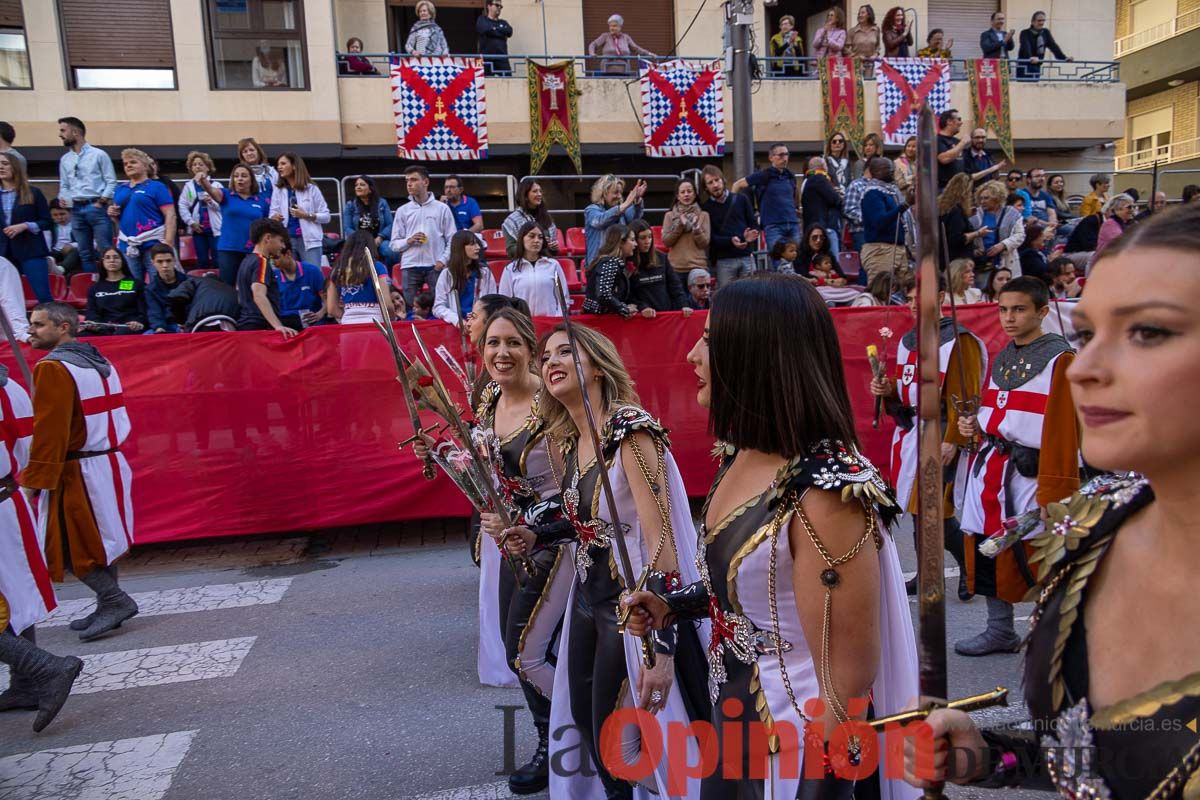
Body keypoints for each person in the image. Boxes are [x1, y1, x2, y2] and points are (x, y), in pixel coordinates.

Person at [902, 201, 1200, 800]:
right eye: (1088, 334)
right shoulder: (1094, 529)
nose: (1084, 367)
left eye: (1147, 331)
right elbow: (1102, 760)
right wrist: (992, 757)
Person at [623, 274, 917, 799]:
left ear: (756, 355)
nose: (692, 354)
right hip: (731, 717)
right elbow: (752, 592)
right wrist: (677, 605)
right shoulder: (739, 454)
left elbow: (845, 686)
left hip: (795, 743)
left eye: (710, 341)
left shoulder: (826, 495)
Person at [505, 323, 710, 800]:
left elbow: (662, 541)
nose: (550, 361)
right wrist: (537, 533)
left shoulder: (630, 430)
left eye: (565, 352)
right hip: (587, 606)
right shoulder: (571, 440)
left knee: (618, 742)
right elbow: (587, 519)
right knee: (589, 728)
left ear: (596, 365)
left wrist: (662, 648)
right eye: (546, 355)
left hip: (630, 611)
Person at [422, 306, 567, 794]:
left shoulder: (553, 402)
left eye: (512, 343)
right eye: (491, 344)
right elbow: (480, 463)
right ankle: (553, 738)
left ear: (531, 349)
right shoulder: (487, 401)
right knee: (521, 649)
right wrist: (440, 452)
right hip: (510, 546)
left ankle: (566, 741)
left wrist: (528, 522)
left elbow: (579, 489)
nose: (501, 353)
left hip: (559, 542)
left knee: (532, 648)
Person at [953, 276, 1080, 656]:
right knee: (988, 545)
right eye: (1003, 309)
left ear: (1042, 312)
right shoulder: (1004, 355)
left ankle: (1057, 636)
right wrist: (974, 424)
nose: (1009, 317)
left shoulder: (1061, 359)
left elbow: (1063, 432)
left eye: (1019, 309)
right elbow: (998, 412)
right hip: (992, 467)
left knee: (1039, 553)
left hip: (1030, 474)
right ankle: (1000, 630)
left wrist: (1055, 490)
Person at [22, 301, 139, 641]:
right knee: (102, 540)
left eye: (39, 324)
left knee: (68, 544)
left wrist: (35, 481)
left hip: (77, 468)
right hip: (108, 460)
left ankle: (115, 600)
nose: (31, 330)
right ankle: (108, 602)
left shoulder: (53, 369)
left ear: (63, 328)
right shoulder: (100, 361)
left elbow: (50, 431)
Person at [871, 274, 986, 599]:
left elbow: (966, 393)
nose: (912, 305)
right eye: (908, 299)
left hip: (941, 435)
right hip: (911, 437)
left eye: (919, 298)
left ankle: (969, 565)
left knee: (936, 511)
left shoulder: (957, 340)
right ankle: (928, 573)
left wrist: (953, 439)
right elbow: (907, 388)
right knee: (921, 511)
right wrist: (887, 389)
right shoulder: (910, 339)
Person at [0, 361, 84, 732]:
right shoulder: (12, 386)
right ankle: (26, 683)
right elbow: (25, 448)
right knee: (13, 599)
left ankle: (43, 669)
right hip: (7, 497)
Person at [389, 165, 457, 306]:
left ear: (425, 182)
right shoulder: (402, 211)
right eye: (407, 180)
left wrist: (442, 261)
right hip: (410, 265)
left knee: (440, 307)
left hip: (435, 265)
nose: (409, 183)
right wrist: (409, 240)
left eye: (414, 179)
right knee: (410, 308)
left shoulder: (442, 208)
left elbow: (452, 238)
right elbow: (394, 244)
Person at [57, 117, 117, 276]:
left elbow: (111, 181)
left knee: (106, 250)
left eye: (63, 130)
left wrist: (102, 201)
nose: (60, 134)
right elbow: (64, 184)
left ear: (75, 132)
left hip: (96, 206)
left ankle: (111, 283)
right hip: (75, 209)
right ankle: (92, 285)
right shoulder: (65, 159)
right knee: (84, 253)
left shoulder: (99, 155)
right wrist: (62, 197)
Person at [106, 148, 175, 283]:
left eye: (133, 162)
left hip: (153, 243)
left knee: (157, 280)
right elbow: (118, 219)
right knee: (128, 281)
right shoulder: (120, 189)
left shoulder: (157, 186)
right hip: (127, 244)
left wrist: (168, 242)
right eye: (126, 164)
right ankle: (130, 303)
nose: (128, 166)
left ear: (144, 165)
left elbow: (170, 214)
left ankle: (157, 304)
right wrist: (112, 214)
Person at [199, 163, 270, 286]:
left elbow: (265, 223)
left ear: (251, 179)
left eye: (244, 176)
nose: (240, 179)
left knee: (251, 287)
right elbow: (211, 190)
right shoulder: (226, 195)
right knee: (228, 287)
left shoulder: (261, 200)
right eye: (236, 176)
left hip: (252, 251)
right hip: (228, 249)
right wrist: (203, 180)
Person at [0, 153, 53, 303]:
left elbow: (47, 221)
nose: (0, 167)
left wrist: (25, 226)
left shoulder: (33, 192)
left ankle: (51, 324)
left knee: (43, 295)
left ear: (15, 167)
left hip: (31, 250)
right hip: (4, 253)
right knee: (8, 299)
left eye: (5, 163)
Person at [732, 143, 799, 257]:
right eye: (781, 155)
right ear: (771, 157)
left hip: (792, 223)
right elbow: (737, 184)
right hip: (773, 225)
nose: (785, 158)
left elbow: (795, 195)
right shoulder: (763, 175)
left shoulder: (790, 176)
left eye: (787, 154)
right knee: (777, 260)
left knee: (797, 260)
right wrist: (732, 207)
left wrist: (796, 209)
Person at [236, 218, 298, 336]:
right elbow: (259, 295)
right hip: (260, 325)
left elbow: (239, 294)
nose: (282, 246)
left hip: (246, 325)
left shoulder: (245, 261)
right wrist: (278, 326)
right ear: (268, 238)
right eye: (280, 241)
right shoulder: (262, 262)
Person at [701, 165, 759, 287]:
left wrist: (751, 235)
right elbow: (710, 238)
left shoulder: (741, 199)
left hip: (746, 256)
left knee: (752, 297)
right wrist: (730, 241)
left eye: (717, 180)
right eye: (710, 182)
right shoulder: (706, 208)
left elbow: (753, 224)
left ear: (723, 180)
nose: (715, 185)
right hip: (724, 260)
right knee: (727, 300)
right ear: (706, 188)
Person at [269, 152, 329, 267]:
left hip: (309, 241)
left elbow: (326, 216)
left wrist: (306, 215)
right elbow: (272, 213)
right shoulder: (279, 189)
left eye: (283, 163)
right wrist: (275, 217)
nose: (279, 167)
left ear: (294, 166)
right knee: (285, 276)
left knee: (312, 275)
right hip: (285, 240)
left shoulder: (311, 189)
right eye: (278, 164)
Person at [500, 221, 569, 318]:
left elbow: (563, 297)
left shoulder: (553, 265)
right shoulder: (510, 269)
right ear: (522, 239)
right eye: (531, 236)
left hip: (550, 323)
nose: (537, 240)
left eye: (540, 237)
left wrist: (557, 317)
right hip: (522, 325)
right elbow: (505, 301)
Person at [324, 231, 392, 326]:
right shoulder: (378, 267)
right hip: (376, 324)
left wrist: (349, 318)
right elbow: (387, 305)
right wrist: (392, 319)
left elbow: (331, 309)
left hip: (348, 326)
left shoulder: (336, 270)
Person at [434, 229, 499, 325]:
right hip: (454, 330)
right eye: (472, 244)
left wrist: (477, 319)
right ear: (460, 248)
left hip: (480, 328)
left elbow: (493, 302)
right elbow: (438, 307)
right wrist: (456, 320)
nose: (477, 248)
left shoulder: (485, 273)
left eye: (477, 244)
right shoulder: (446, 275)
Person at [627, 219, 691, 315]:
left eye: (649, 237)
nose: (647, 241)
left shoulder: (661, 257)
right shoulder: (627, 262)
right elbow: (628, 294)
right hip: (643, 317)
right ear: (634, 240)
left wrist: (683, 305)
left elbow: (675, 286)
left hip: (666, 315)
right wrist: (642, 307)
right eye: (642, 238)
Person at [859, 157, 909, 280]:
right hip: (881, 250)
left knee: (900, 295)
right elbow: (880, 221)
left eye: (891, 167)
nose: (891, 171)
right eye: (887, 168)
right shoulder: (872, 193)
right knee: (881, 292)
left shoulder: (891, 192)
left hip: (897, 248)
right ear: (874, 172)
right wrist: (905, 206)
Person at [82, 248, 147, 336]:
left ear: (122, 260)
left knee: (120, 334)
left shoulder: (137, 284)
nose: (112, 260)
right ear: (102, 262)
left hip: (129, 327)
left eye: (116, 257)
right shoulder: (95, 288)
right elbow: (91, 313)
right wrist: (93, 324)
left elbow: (144, 311)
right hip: (103, 328)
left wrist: (138, 321)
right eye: (107, 257)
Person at [583, 174, 644, 267]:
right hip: (598, 266)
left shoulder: (621, 210)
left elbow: (634, 219)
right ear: (603, 193)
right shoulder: (591, 210)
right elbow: (600, 221)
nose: (619, 196)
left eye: (620, 192)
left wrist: (637, 200)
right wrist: (625, 204)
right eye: (615, 192)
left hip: (619, 263)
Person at [970, 179, 1026, 277]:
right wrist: (974, 249)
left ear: (997, 198)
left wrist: (1003, 245)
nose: (982, 201)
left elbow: (1020, 235)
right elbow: (967, 235)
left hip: (1005, 259)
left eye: (986, 198)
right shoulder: (975, 214)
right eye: (981, 198)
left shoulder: (1012, 213)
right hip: (982, 262)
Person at [178, 151, 222, 271]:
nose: (197, 167)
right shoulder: (188, 186)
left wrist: (211, 201)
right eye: (194, 164)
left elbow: (223, 206)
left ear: (207, 167)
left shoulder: (216, 185)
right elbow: (182, 206)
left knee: (218, 260)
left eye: (201, 164)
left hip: (215, 230)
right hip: (198, 229)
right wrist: (191, 222)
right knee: (202, 261)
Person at [581, 224, 637, 317]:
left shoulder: (609, 261)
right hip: (599, 319)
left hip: (599, 317)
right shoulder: (609, 262)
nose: (635, 244)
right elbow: (604, 294)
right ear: (621, 242)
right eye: (632, 240)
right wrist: (623, 309)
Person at [843, 132, 885, 251]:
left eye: (871, 145)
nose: (868, 147)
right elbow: (850, 207)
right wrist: (869, 218)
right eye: (866, 145)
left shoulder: (886, 183)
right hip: (862, 229)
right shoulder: (859, 167)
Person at [342, 175, 396, 266]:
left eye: (362, 184)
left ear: (370, 188)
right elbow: (347, 227)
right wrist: (362, 240)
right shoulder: (350, 205)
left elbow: (390, 224)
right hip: (359, 240)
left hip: (380, 239)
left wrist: (380, 237)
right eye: (356, 185)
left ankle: (388, 275)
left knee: (390, 251)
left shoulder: (382, 203)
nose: (358, 187)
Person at [661, 177, 710, 276]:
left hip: (698, 267)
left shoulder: (703, 215)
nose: (686, 194)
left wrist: (696, 228)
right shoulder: (669, 216)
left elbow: (704, 244)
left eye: (689, 191)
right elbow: (666, 242)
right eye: (682, 192)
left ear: (695, 194)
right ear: (678, 196)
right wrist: (680, 226)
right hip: (675, 268)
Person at [502, 179, 560, 260]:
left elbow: (553, 252)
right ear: (525, 195)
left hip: (545, 263)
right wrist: (530, 246)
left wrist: (553, 248)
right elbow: (511, 251)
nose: (539, 194)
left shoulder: (547, 217)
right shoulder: (512, 221)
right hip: (522, 265)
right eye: (535, 191)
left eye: (540, 191)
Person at [275, 239, 327, 327]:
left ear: (288, 254)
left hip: (310, 320)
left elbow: (327, 298)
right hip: (285, 321)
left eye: (276, 258)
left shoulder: (312, 271)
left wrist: (320, 314)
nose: (273, 263)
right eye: (271, 259)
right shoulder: (274, 276)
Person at [940, 173, 987, 267]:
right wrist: (978, 233)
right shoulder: (956, 211)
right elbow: (957, 238)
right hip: (956, 261)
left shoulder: (943, 207)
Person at [800, 156, 843, 258]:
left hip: (813, 226)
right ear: (824, 166)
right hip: (825, 227)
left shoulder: (807, 181)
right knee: (831, 260)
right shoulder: (820, 179)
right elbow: (834, 200)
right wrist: (838, 195)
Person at [168, 271, 240, 332]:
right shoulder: (233, 290)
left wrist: (181, 321)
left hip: (202, 324)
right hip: (230, 326)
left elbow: (176, 297)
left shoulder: (196, 280)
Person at [587, 14, 656, 75]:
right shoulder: (605, 36)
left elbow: (636, 49)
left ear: (620, 27)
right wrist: (592, 53)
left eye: (614, 26)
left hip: (624, 70)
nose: (612, 28)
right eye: (610, 26)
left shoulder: (626, 37)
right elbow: (593, 44)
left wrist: (649, 53)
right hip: (607, 70)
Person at [1017, 10, 1071, 80]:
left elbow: (1053, 46)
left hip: (1037, 65)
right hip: (1024, 66)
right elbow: (1026, 47)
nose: (1041, 23)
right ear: (1033, 22)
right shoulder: (1025, 33)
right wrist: (1030, 57)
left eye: (1043, 21)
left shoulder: (1045, 32)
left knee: (1035, 87)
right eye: (1039, 21)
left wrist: (1064, 58)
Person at [145, 244, 186, 334]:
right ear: (153, 263)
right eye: (160, 261)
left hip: (187, 325)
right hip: (165, 326)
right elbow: (154, 312)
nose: (165, 265)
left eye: (168, 261)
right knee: (147, 336)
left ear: (174, 261)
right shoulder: (150, 289)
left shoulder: (189, 282)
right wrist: (159, 327)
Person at [1089, 193, 1135, 268]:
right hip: (1102, 266)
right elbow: (1122, 244)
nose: (1132, 210)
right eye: (1129, 207)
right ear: (1117, 209)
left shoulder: (1129, 224)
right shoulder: (1110, 224)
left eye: (1134, 207)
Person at [477, 0, 513, 75]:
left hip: (502, 58)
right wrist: (500, 31)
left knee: (508, 81)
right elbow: (482, 28)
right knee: (482, 83)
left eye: (501, 6)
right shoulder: (481, 19)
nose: (499, 8)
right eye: (497, 5)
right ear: (489, 6)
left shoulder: (503, 22)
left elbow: (509, 32)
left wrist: (493, 29)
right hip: (484, 58)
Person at [936, 108, 969, 190]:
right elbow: (944, 158)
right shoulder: (937, 140)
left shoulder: (956, 141)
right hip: (944, 189)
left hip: (959, 189)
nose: (961, 123)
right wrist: (963, 143)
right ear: (949, 121)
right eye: (959, 119)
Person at [46, 200, 81, 277]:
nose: (59, 217)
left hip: (71, 252)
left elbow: (91, 242)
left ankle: (61, 269)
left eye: (62, 214)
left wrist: (72, 245)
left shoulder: (78, 224)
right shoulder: (49, 226)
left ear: (70, 213)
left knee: (75, 252)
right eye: (55, 215)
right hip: (55, 252)